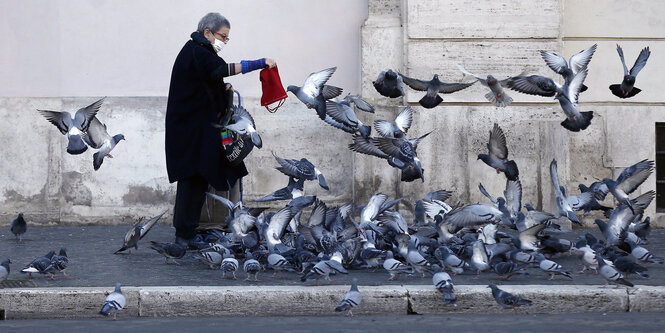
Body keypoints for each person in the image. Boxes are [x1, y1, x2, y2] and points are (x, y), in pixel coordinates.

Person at [165, 12, 276, 248]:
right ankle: (183, 236)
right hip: (190, 130)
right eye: (222, 37)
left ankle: (189, 232)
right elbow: (221, 70)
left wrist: (219, 88)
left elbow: (205, 80)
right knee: (191, 179)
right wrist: (258, 63)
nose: (224, 42)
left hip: (198, 128)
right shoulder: (197, 51)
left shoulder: (199, 51)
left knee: (200, 178)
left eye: (227, 38)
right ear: (207, 33)